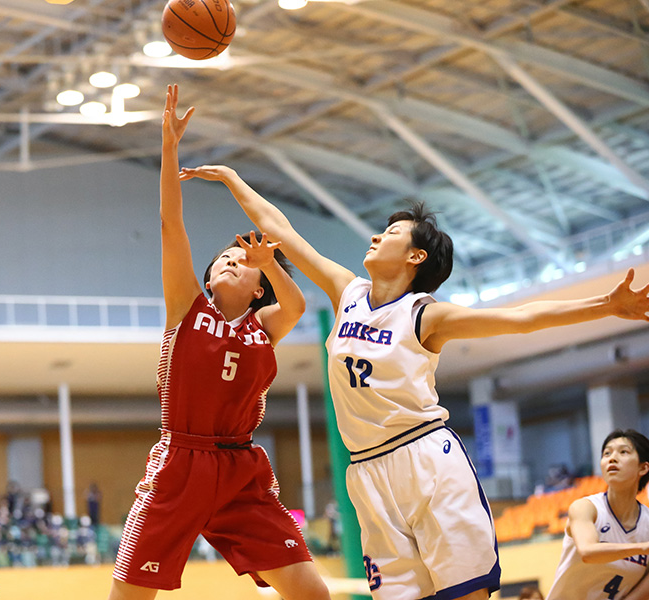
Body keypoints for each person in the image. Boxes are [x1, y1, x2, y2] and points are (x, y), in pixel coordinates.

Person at [179, 162, 649, 600]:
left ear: (415, 256)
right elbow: (282, 232)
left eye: (390, 233)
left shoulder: (425, 314)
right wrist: (232, 179)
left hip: (425, 460)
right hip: (366, 472)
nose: (374, 236)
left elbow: (521, 318)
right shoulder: (348, 293)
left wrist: (607, 305)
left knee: (466, 593)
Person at [106, 85, 330, 600]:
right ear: (207, 279)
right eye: (222, 259)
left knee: (312, 593)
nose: (230, 259)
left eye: (241, 260)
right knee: (130, 597)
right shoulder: (187, 307)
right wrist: (168, 150)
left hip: (241, 469)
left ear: (258, 288)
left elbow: (296, 307)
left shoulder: (263, 325)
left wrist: (270, 259)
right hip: (180, 463)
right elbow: (170, 225)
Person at [546, 429, 649, 600]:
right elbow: (588, 552)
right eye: (606, 453)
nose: (612, 458)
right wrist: (644, 548)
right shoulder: (585, 508)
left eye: (623, 452)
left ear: (643, 467)